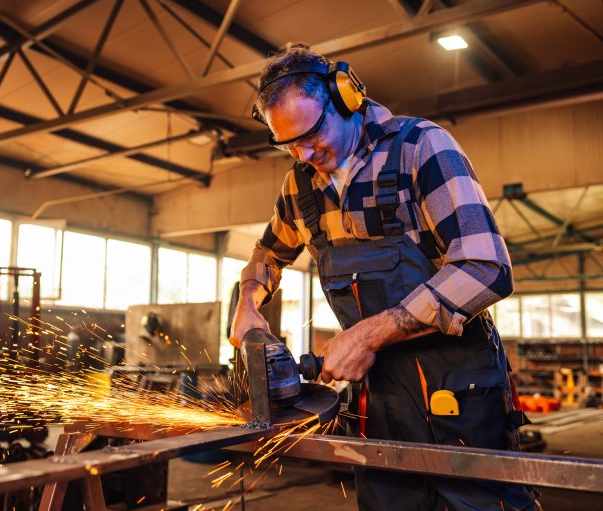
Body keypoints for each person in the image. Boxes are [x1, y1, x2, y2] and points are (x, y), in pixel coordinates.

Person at [229, 45, 541, 511]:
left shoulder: (420, 147)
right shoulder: (300, 185)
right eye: (287, 143)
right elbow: (267, 254)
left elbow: (486, 268)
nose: (303, 153)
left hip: (458, 392)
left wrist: (368, 335)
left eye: (312, 134)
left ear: (345, 98)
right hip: (378, 401)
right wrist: (249, 301)